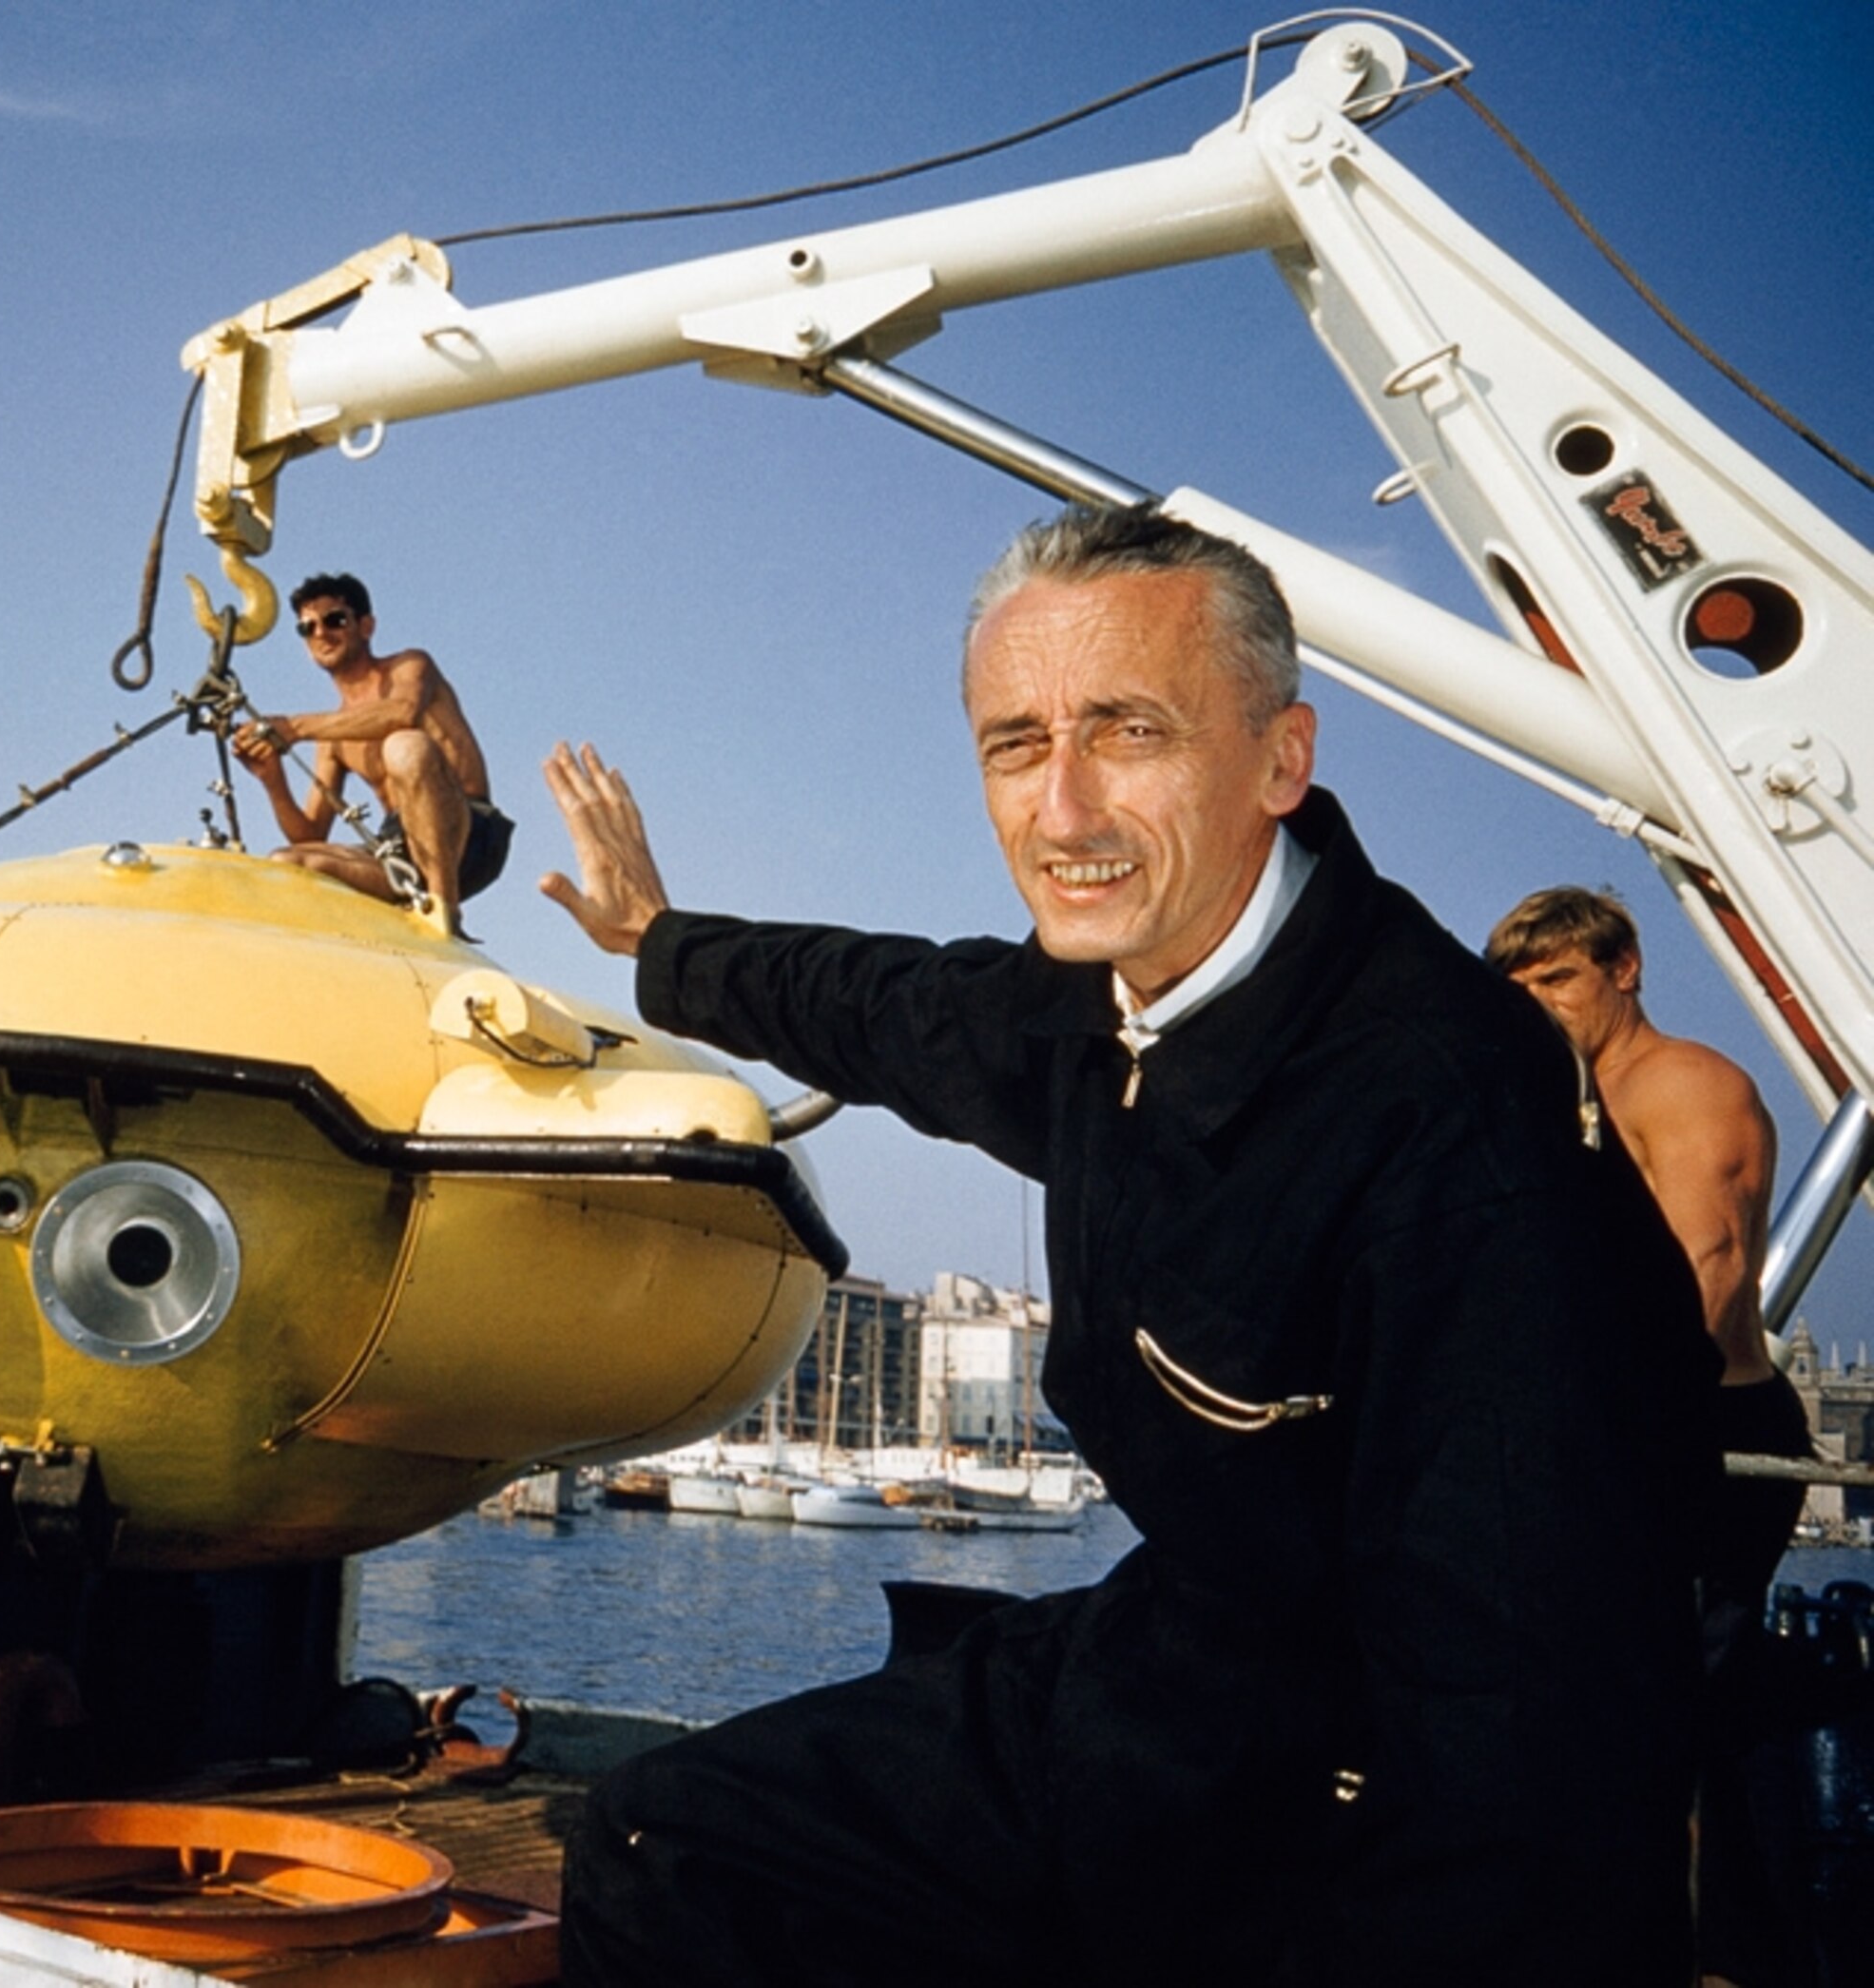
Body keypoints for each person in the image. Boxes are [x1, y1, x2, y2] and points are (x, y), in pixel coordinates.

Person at [537, 505, 1718, 1984]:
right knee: (669, 1843)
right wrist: (658, 941)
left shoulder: (1454, 1129)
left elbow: (1528, 1724)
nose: (1065, 810)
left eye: (1129, 731)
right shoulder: (1099, 1006)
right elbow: (879, 1002)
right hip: (1177, 1660)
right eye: (1016, 744)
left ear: (1281, 759)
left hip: (1371, 1767)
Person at [1486, 885, 1811, 1988]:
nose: (1540, 1004)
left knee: (1673, 1714)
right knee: (1633, 1711)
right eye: (1520, 989)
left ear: (1623, 970)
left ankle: (1723, 1962)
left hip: (1703, 1433)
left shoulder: (1682, 1083)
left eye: (1559, 979)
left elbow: (1705, 1279)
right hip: (1629, 1430)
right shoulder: (1578, 1098)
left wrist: (1610, 1440)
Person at [229, 572, 512, 933]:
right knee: (286, 861)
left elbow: (403, 712)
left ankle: (444, 911)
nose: (321, 633)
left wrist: (294, 728)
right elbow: (308, 834)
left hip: (468, 833)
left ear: (366, 626)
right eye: (307, 628)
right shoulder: (333, 735)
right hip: (399, 850)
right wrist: (272, 779)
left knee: (405, 747)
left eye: (334, 620)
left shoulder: (410, 666)